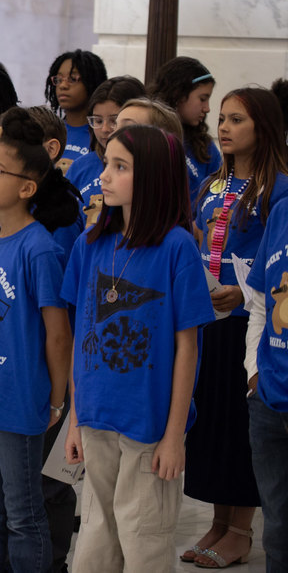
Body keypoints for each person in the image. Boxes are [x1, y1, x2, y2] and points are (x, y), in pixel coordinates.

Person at [62, 125, 213, 572]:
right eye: (106, 163)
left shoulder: (177, 247)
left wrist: (173, 435)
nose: (104, 176)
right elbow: (80, 333)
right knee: (95, 537)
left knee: (143, 537)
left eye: (120, 167)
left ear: (151, 177)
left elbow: (189, 347)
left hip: (151, 427)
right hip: (95, 418)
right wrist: (75, 420)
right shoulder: (90, 244)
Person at [0, 108, 79, 573]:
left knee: (23, 513)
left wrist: (55, 397)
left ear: (27, 187)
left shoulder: (41, 248)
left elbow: (57, 332)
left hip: (19, 399)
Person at [182, 87, 288, 568]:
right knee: (215, 428)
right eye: (221, 118)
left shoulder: (280, 188)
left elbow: (275, 268)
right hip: (211, 321)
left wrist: (243, 295)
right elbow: (207, 245)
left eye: (236, 119)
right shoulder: (211, 184)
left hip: (251, 325)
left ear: (262, 127)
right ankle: (219, 522)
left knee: (243, 430)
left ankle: (241, 530)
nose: (223, 127)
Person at [244, 198, 288, 572]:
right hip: (269, 398)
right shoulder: (282, 212)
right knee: (276, 529)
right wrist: (253, 374)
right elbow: (259, 303)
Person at [65, 76, 146, 226]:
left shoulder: (150, 166)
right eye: (98, 120)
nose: (104, 129)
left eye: (114, 121)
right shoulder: (79, 167)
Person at [148, 56, 221, 197]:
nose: (207, 108)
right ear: (178, 94)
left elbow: (216, 194)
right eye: (202, 99)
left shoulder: (204, 147)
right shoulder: (146, 134)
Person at [44, 50, 108, 164]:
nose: (63, 86)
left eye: (73, 79)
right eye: (58, 79)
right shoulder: (49, 131)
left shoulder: (103, 133)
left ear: (92, 83)